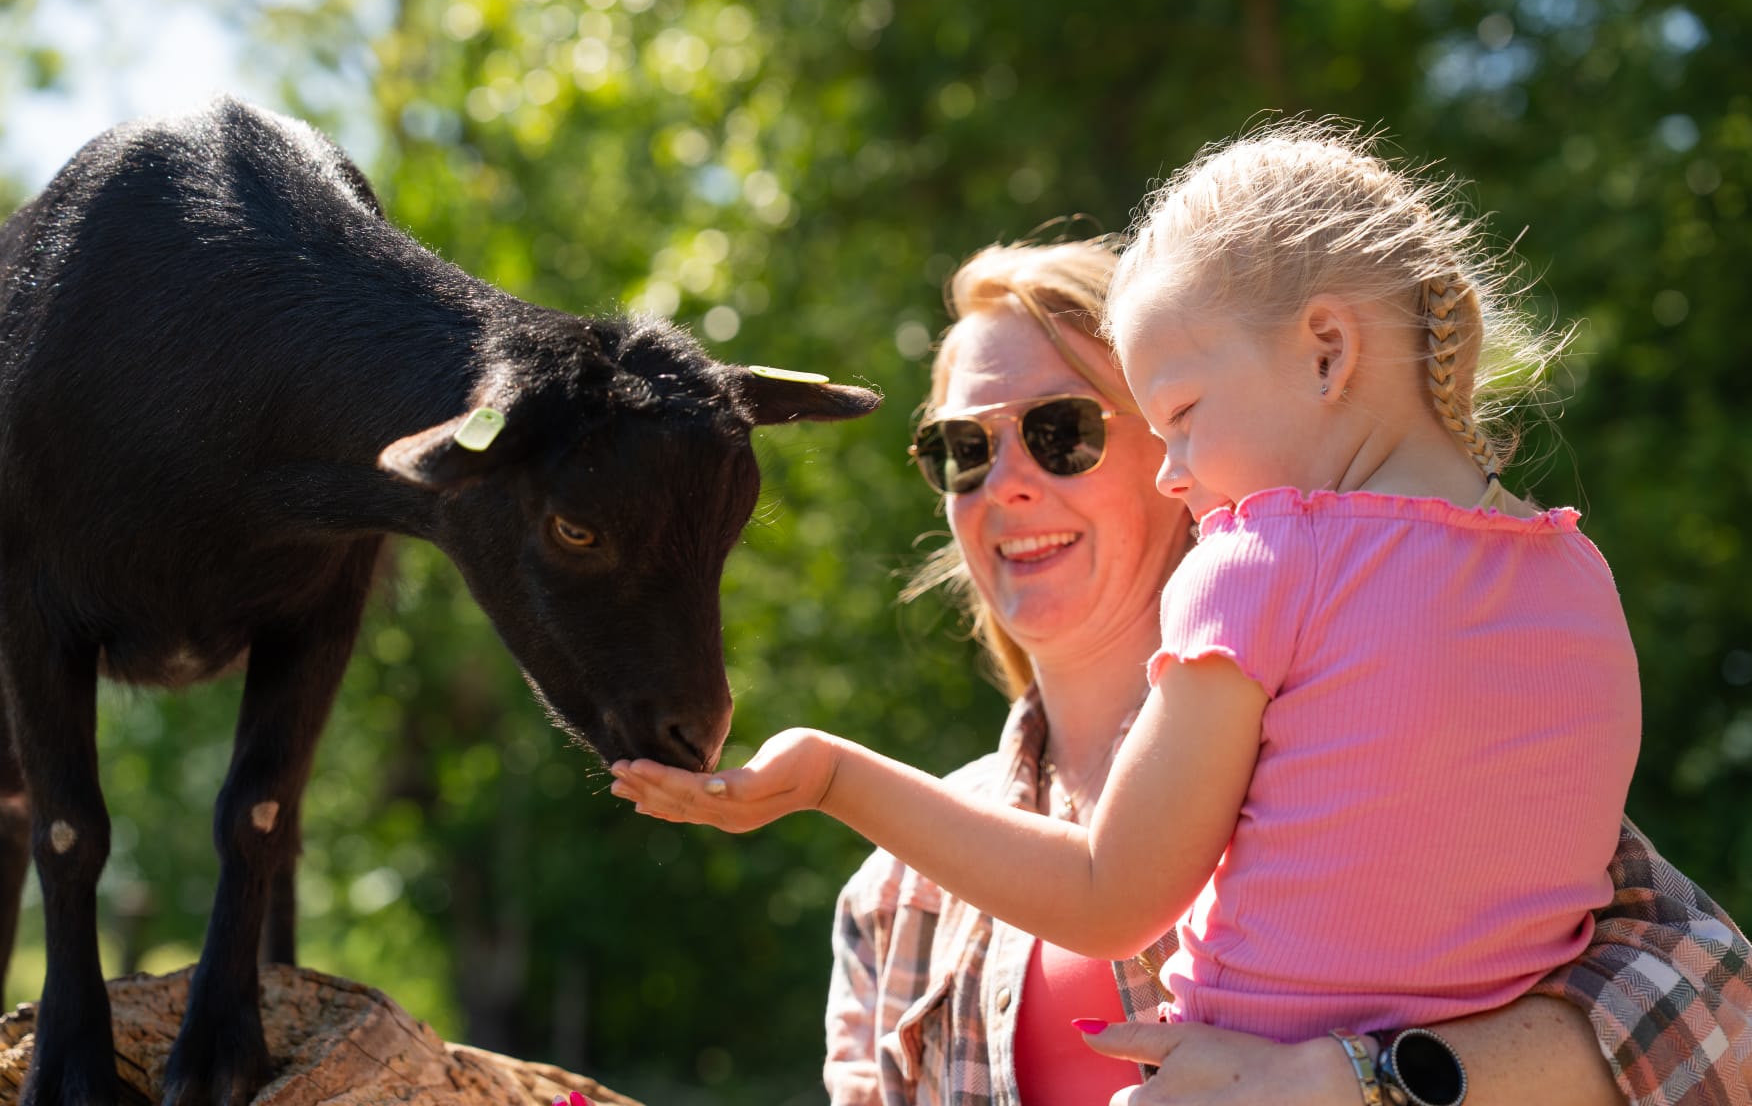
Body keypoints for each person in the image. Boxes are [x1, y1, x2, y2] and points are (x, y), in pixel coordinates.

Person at [614, 132, 1752, 1103]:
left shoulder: (1374, 663)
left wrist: (1358, 1078)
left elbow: (1718, 1018)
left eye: (1063, 430)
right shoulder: (895, 896)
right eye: (960, 449)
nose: (1003, 480)